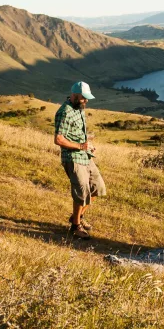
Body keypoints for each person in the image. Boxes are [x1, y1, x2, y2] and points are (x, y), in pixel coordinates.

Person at [54, 81, 106, 239]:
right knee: (82, 192)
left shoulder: (79, 108)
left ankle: (77, 217)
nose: (86, 101)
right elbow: (59, 139)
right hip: (72, 158)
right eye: (84, 98)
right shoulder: (65, 112)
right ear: (75, 95)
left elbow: (78, 134)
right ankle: (76, 226)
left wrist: (88, 145)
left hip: (85, 155)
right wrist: (80, 146)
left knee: (97, 187)